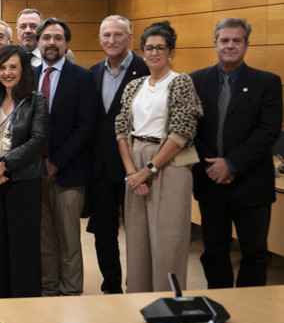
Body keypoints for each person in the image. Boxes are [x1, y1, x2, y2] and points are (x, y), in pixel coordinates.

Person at [191, 18, 282, 288]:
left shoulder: (267, 82)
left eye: (237, 40)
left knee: (254, 254)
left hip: (251, 183)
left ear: (246, 44)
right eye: (225, 40)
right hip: (210, 182)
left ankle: (249, 313)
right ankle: (218, 304)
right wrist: (212, 166)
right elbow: (189, 129)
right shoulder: (195, 80)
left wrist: (231, 164)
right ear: (215, 43)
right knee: (214, 252)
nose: (230, 45)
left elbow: (268, 131)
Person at [115, 21, 202, 293]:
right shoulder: (134, 86)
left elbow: (182, 132)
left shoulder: (181, 82)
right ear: (142, 52)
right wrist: (132, 173)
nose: (154, 53)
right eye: (148, 48)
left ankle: (167, 302)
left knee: (168, 241)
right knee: (137, 241)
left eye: (160, 48)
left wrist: (148, 170)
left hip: (169, 162)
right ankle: (137, 300)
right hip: (135, 159)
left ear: (170, 52)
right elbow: (120, 130)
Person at [0, 45, 49, 299]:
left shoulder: (36, 100)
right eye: (2, 67)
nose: (7, 72)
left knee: (22, 245)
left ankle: (23, 302)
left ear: (24, 70)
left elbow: (37, 140)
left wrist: (4, 164)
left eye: (13, 67)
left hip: (23, 181)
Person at [87, 15, 148, 294]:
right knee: (104, 232)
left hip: (137, 166)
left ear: (129, 37)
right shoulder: (93, 72)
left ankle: (139, 284)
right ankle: (111, 284)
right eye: (107, 35)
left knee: (139, 232)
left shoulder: (145, 69)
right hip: (100, 168)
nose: (112, 40)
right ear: (100, 39)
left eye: (118, 35)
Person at [35, 18, 96, 296]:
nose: (51, 43)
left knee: (69, 238)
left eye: (58, 38)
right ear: (38, 43)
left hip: (68, 172)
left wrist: (56, 162)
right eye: (46, 37)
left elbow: (86, 126)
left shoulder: (82, 77)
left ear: (66, 43)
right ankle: (48, 287)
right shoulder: (28, 75)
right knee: (44, 239)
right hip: (35, 171)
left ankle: (71, 291)